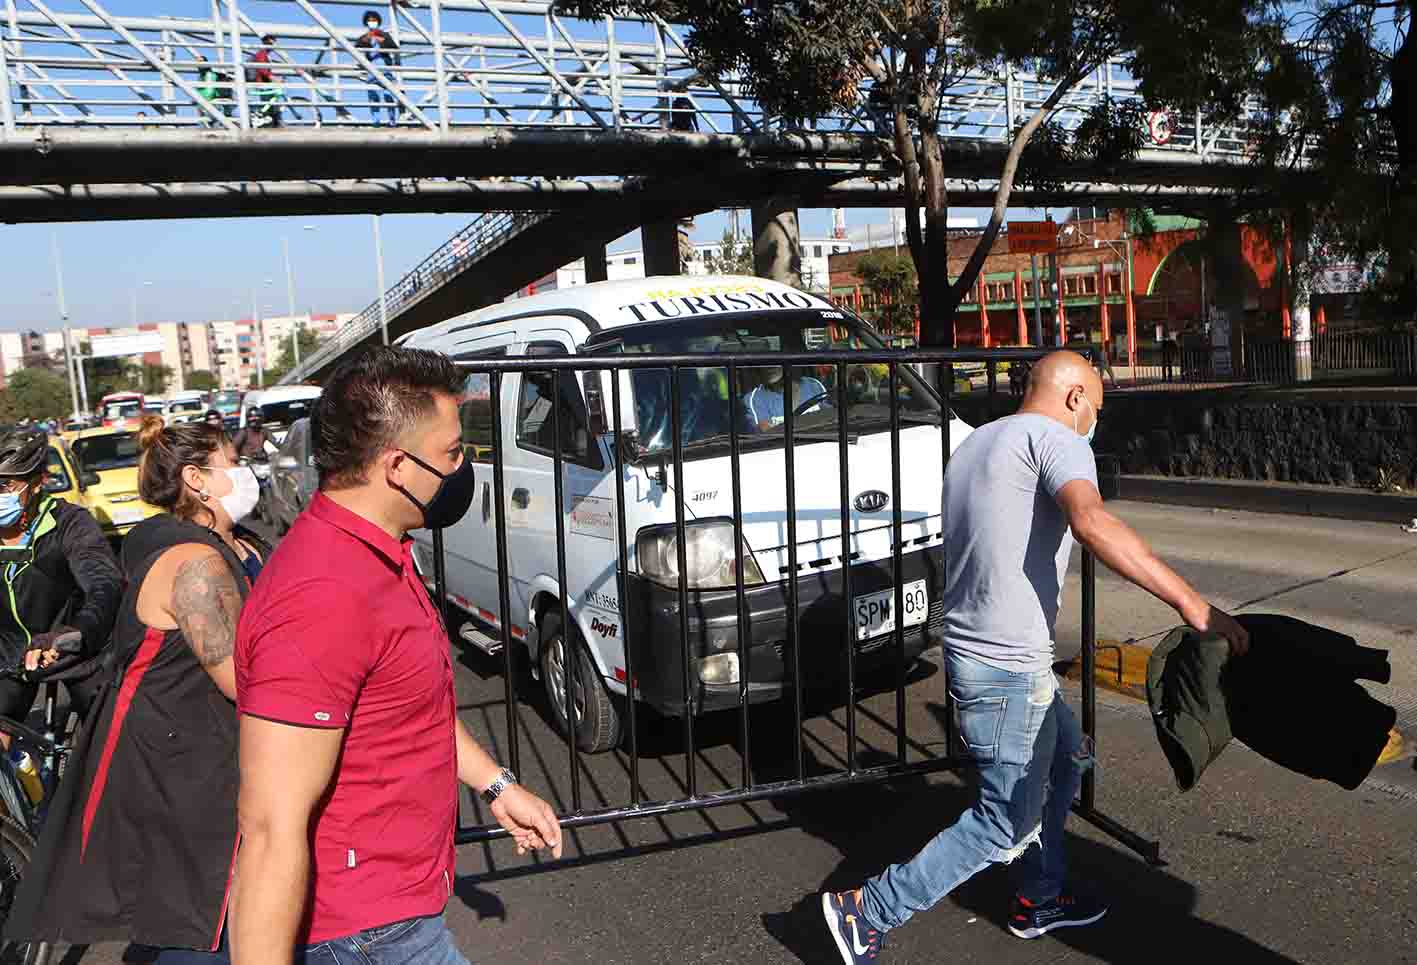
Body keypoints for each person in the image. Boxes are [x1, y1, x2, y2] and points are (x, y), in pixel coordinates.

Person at [820, 351, 1249, 962]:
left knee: (1067, 757)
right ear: (1075, 398)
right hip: (1008, 670)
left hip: (986, 656)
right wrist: (1194, 605)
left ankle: (1040, 895)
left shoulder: (975, 444)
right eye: (1096, 408)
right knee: (1003, 824)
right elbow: (1092, 522)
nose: (1094, 422)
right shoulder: (1057, 439)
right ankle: (868, 911)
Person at [231, 347, 562, 965]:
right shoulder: (321, 597)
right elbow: (270, 828)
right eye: (453, 452)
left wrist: (496, 785)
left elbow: (408, 706)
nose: (464, 468)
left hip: (398, 914)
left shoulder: (380, 550)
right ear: (398, 467)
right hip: (366, 935)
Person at [7, 416, 266, 960]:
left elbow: (100, 583)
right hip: (178, 754)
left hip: (116, 689)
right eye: (233, 462)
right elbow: (243, 680)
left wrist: (79, 631)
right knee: (196, 920)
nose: (245, 472)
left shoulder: (233, 547)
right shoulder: (193, 563)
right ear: (195, 479)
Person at [0, 428, 122, 731]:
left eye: (5, 485)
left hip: (73, 652)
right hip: (8, 660)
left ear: (37, 483)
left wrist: (76, 632)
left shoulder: (70, 523)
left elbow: (103, 582)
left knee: (112, 731)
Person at [742, 366, 831, 432]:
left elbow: (831, 419)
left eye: (775, 360)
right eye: (764, 362)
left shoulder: (813, 385)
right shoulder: (755, 399)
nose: (769, 367)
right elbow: (768, 435)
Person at [355, 10, 401, 126]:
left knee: (388, 94)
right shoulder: (364, 37)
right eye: (370, 20)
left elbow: (394, 48)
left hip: (384, 67)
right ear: (366, 23)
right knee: (373, 95)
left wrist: (380, 39)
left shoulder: (384, 35)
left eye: (374, 20)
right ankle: (376, 121)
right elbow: (357, 47)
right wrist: (369, 38)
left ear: (378, 22)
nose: (372, 22)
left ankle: (392, 121)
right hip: (371, 67)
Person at [247, 35, 281, 128]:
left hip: (263, 81)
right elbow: (261, 69)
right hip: (261, 82)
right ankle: (261, 118)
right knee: (266, 102)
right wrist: (272, 77)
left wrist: (273, 77)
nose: (274, 45)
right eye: (272, 43)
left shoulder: (264, 54)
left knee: (268, 103)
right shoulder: (262, 53)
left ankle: (269, 120)